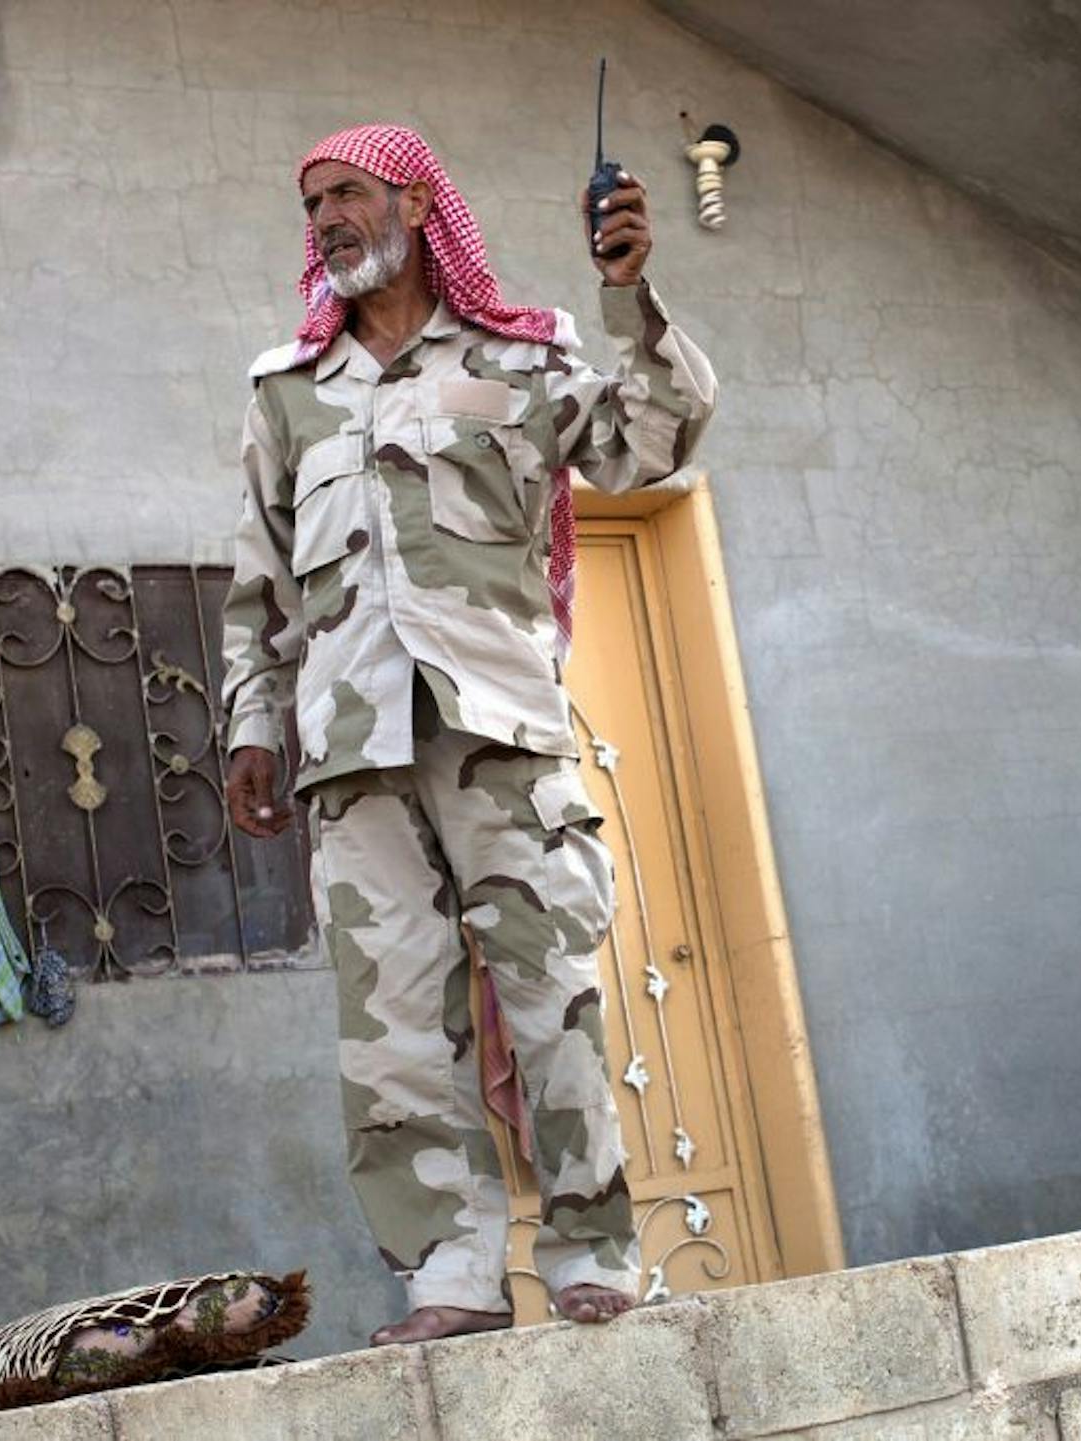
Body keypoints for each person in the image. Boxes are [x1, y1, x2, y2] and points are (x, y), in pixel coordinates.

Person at [215, 124, 715, 1346]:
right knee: (390, 1032)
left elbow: (653, 443)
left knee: (553, 1003)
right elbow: (259, 588)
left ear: (418, 202)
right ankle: (448, 1276)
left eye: (348, 193)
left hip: (499, 737)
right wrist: (251, 724)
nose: (327, 217)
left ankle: (596, 1251)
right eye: (312, 201)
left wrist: (626, 292)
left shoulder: (517, 359)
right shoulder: (286, 392)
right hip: (352, 753)